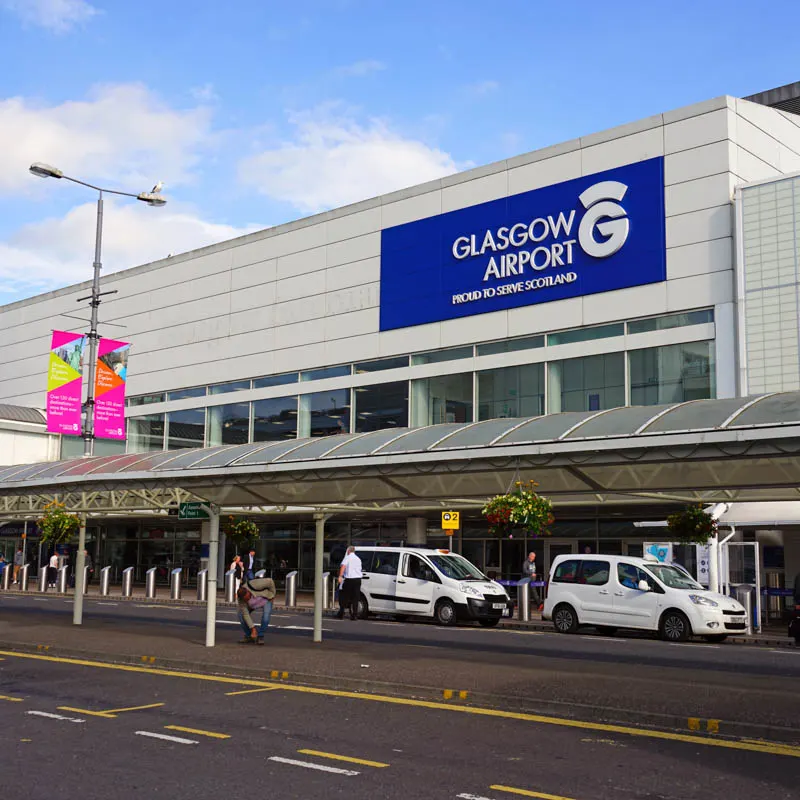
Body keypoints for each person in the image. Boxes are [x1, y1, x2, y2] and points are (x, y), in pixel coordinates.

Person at [237, 576, 277, 645]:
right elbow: (246, 614)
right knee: (240, 615)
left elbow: (270, 581)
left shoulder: (254, 584)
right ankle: (249, 636)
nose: (247, 600)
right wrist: (253, 628)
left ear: (248, 592)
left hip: (265, 600)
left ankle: (260, 636)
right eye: (245, 600)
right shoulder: (241, 600)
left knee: (266, 617)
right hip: (252, 605)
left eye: (247, 598)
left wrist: (273, 595)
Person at [337, 546, 362, 620]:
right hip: (357, 580)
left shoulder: (347, 558)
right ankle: (354, 615)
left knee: (344, 596)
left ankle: (341, 613)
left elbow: (343, 567)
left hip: (349, 580)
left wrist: (340, 576)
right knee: (355, 598)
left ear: (348, 551)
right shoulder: (358, 559)